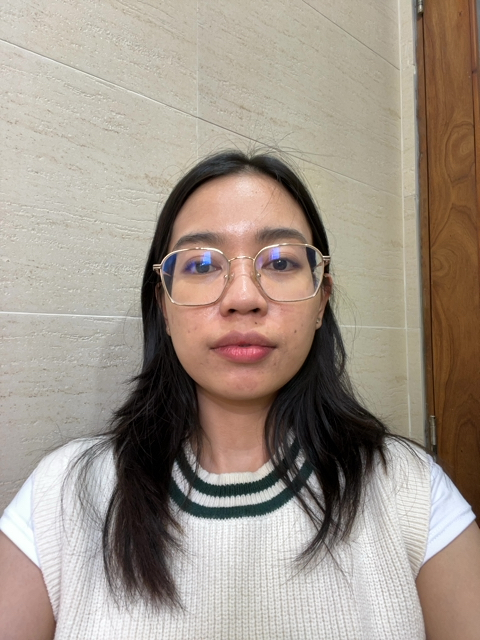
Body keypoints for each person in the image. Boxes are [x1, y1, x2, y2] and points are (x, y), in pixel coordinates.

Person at [1, 150, 479, 640]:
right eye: (202, 264)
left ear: (321, 300)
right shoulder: (62, 496)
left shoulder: (408, 490)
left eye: (281, 261)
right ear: (164, 306)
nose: (243, 297)